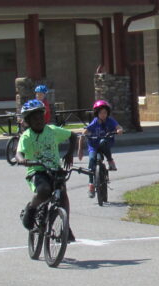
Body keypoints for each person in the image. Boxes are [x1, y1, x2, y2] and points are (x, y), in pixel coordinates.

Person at [15, 99, 77, 241]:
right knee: (44, 190)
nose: (39, 120)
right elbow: (18, 153)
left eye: (40, 117)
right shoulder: (27, 136)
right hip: (37, 170)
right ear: (28, 121)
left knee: (62, 194)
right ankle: (31, 209)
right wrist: (22, 160)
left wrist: (69, 154)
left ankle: (65, 227)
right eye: (34, 118)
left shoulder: (52, 131)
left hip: (55, 169)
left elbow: (73, 136)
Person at [82, 99, 123, 198]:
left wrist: (119, 130)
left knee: (103, 141)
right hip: (93, 145)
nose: (103, 115)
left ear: (108, 113)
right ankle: (91, 185)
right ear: (97, 113)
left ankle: (110, 160)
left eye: (105, 112)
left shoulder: (110, 120)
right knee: (91, 161)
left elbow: (118, 127)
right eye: (100, 113)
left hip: (105, 143)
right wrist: (84, 134)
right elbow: (86, 130)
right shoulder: (95, 122)